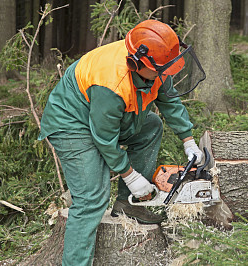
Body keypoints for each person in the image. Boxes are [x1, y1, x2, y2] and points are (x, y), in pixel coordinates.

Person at [38, 20, 204, 266]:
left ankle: (129, 204)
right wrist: (130, 175)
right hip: (71, 123)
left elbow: (169, 100)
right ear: (138, 64)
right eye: (162, 69)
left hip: (104, 115)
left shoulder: (157, 60)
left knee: (151, 126)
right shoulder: (111, 82)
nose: (166, 73)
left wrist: (188, 141)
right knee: (91, 200)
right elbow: (105, 138)